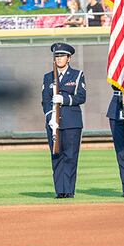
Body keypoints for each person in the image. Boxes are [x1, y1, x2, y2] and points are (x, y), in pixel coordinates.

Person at [42, 43, 86, 199]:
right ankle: (60, 191)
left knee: (70, 157)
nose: (59, 59)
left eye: (62, 56)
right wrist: (50, 118)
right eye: (57, 56)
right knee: (56, 156)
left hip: (72, 122)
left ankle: (68, 190)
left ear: (69, 58)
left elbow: (81, 97)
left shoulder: (77, 75)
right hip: (54, 123)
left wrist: (64, 99)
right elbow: (45, 101)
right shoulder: (48, 77)